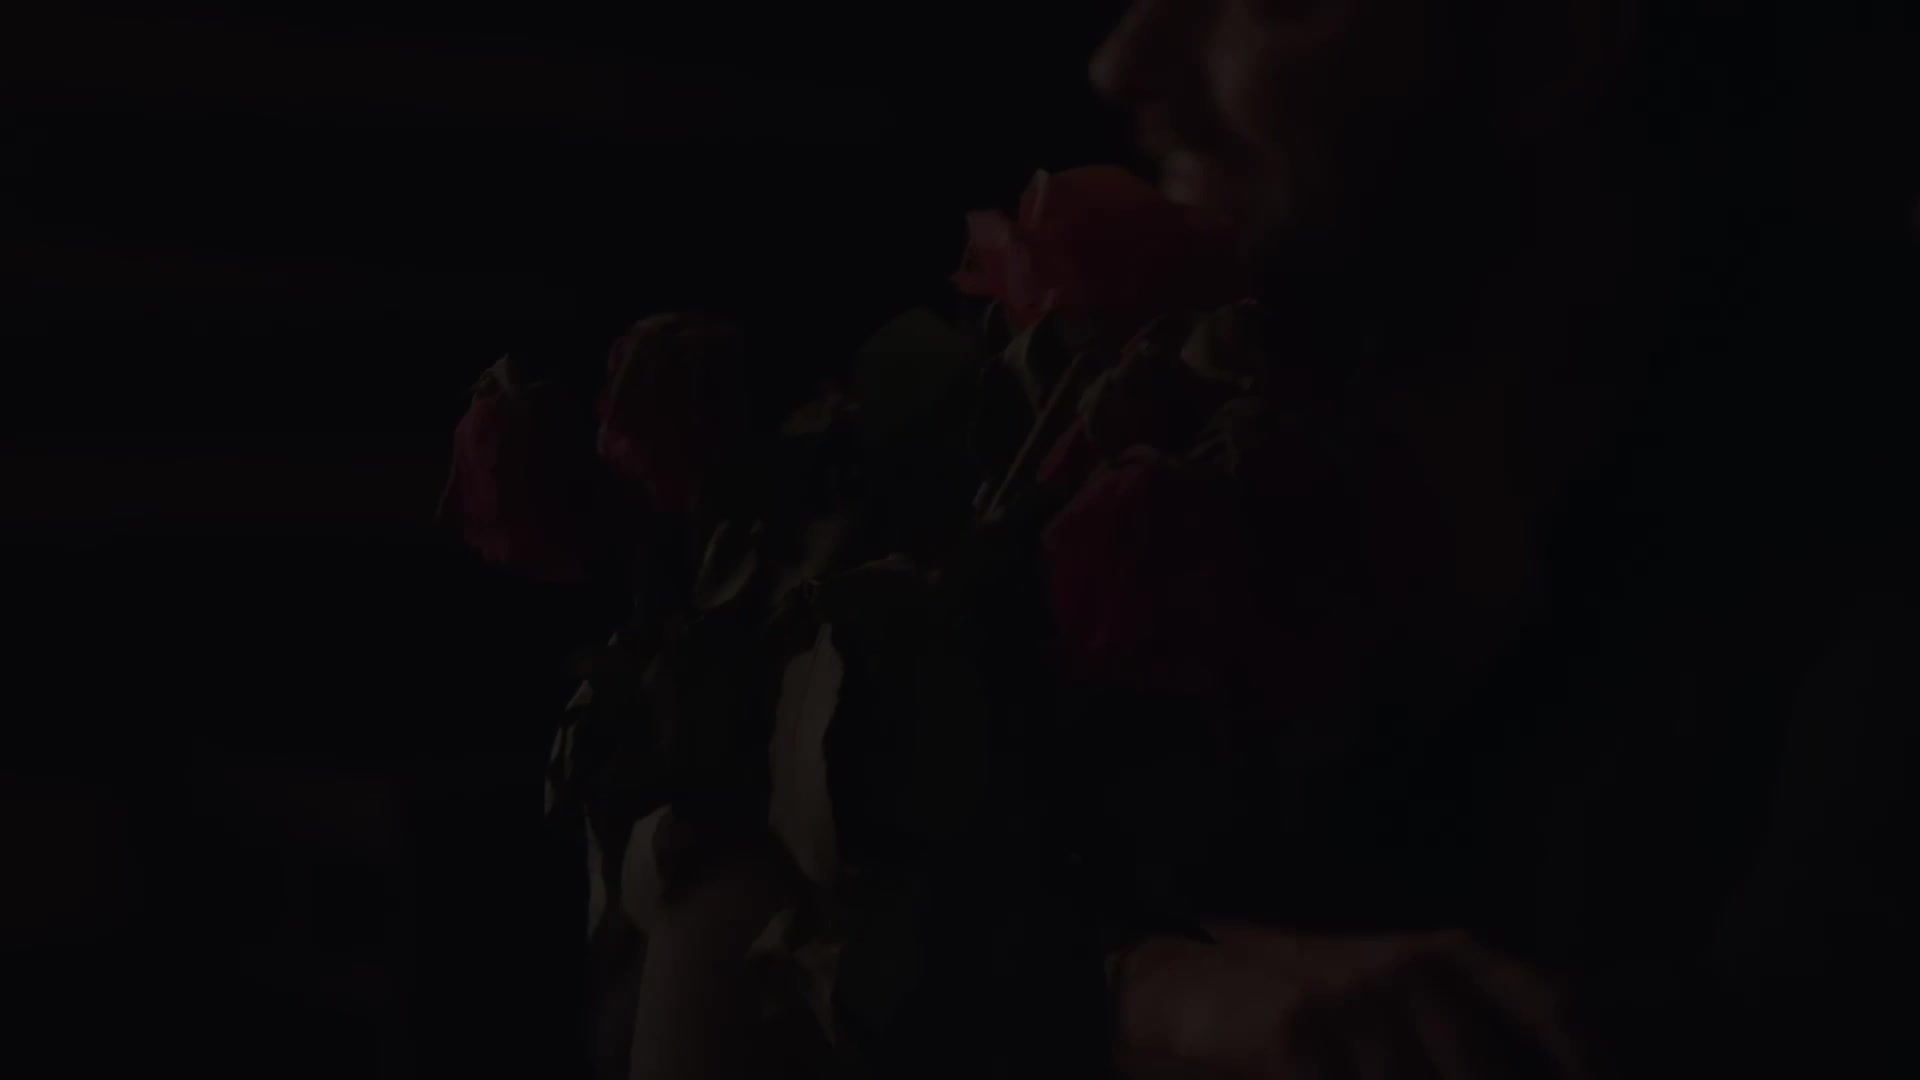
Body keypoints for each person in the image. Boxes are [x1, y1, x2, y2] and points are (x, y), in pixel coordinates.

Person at [1084, 1, 1915, 1077]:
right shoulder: (1152, 482)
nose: (1121, 63)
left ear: (1562, 34)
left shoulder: (1854, 582)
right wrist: (1153, 995)